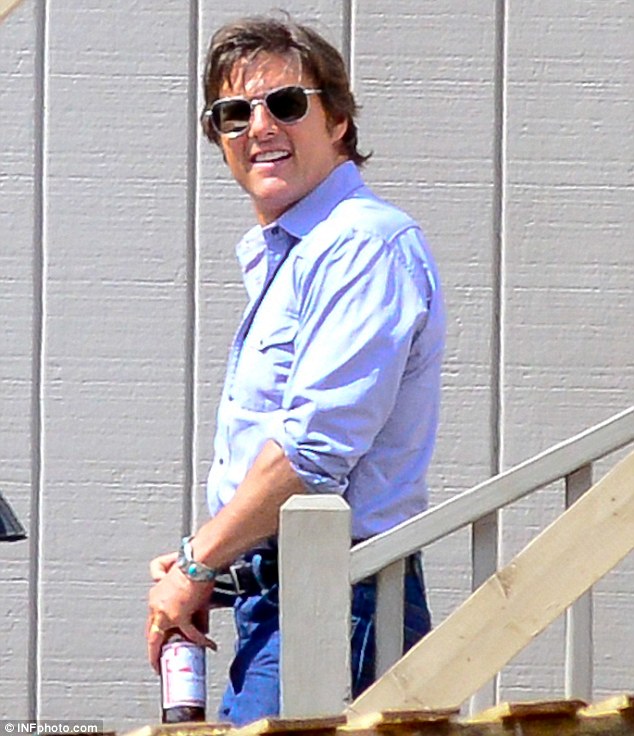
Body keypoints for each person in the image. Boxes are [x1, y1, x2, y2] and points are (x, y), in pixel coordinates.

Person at [146, 15, 445, 727]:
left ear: (337, 120)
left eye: (285, 104)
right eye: (234, 113)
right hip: (286, 597)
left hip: (337, 599)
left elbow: (311, 453)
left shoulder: (362, 245)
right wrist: (213, 563)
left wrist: (197, 562)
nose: (260, 127)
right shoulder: (301, 254)